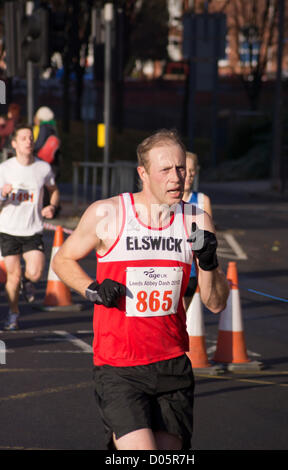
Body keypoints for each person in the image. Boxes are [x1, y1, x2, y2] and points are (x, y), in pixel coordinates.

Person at [52, 128, 229, 451]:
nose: (177, 177)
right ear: (143, 173)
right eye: (165, 170)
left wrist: (209, 262)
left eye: (180, 168)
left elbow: (215, 304)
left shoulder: (197, 220)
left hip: (172, 362)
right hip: (119, 365)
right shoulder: (109, 213)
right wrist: (91, 288)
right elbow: (63, 260)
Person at [0, 125, 60, 331]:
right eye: (24, 138)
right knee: (12, 276)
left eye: (31, 138)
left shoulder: (43, 168)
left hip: (32, 230)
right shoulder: (5, 169)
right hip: (8, 230)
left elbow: (53, 190)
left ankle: (28, 282)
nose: (29, 141)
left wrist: (52, 206)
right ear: (14, 143)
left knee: (35, 273)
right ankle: (13, 314)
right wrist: (3, 195)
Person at [182, 151, 213, 310]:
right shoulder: (161, 201)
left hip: (192, 272)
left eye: (192, 171)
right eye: (184, 170)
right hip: (167, 269)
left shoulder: (202, 200)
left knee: (179, 317)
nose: (189, 175)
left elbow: (208, 239)